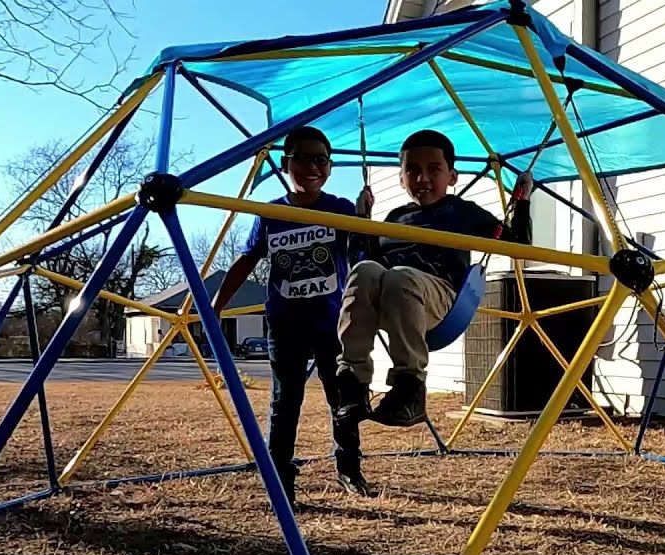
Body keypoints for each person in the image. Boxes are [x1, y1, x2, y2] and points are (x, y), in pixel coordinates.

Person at [211, 125, 372, 504]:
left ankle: (349, 470)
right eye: (302, 158)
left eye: (321, 160)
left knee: (342, 400)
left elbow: (363, 255)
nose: (311, 167)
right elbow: (247, 259)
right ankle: (280, 476)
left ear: (330, 167)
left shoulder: (340, 210)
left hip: (334, 322)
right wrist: (215, 304)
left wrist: (366, 218)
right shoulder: (271, 214)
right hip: (286, 324)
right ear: (286, 164)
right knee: (285, 402)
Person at [336, 129, 534, 428]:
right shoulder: (395, 218)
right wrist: (361, 222)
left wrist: (522, 200)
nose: (422, 178)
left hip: (438, 296)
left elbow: (518, 244)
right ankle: (353, 383)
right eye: (412, 170)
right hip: (390, 297)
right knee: (365, 272)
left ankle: (410, 387)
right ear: (401, 179)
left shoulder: (462, 212)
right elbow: (361, 265)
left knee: (400, 278)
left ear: (452, 176)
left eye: (434, 169)